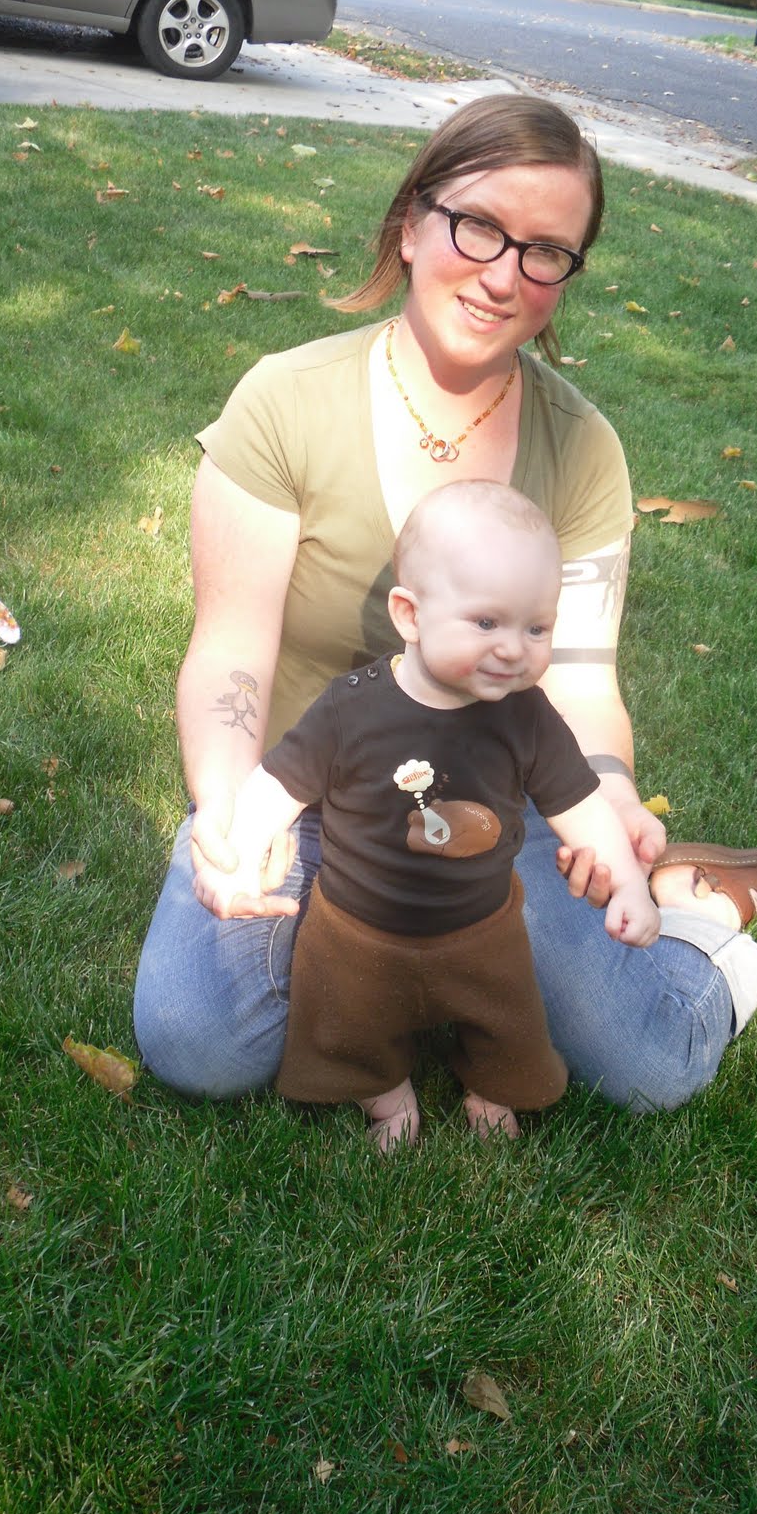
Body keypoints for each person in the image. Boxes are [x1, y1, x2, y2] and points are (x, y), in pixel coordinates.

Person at [133, 93, 757, 1115]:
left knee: (648, 1069)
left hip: (499, 815)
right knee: (200, 1042)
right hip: (303, 795)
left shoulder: (581, 450)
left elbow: (581, 684)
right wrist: (231, 807)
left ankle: (703, 912)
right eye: (478, 226)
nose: (504, 274)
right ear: (412, 224)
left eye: (546, 251)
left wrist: (608, 798)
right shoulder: (284, 403)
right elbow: (232, 649)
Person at [204, 480, 660, 1149]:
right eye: (487, 623)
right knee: (347, 1020)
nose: (514, 648)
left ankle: (493, 1085)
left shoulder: (527, 716)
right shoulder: (350, 707)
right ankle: (384, 1094)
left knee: (507, 1017)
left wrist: (629, 884)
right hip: (358, 928)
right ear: (410, 615)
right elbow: (278, 785)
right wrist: (239, 857)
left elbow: (581, 805)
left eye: (536, 628)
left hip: (481, 927)